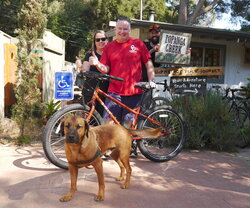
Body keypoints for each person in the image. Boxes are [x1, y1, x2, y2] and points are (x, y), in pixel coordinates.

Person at [89, 17, 156, 157]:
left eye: (125, 29)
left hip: (133, 91)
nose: (122, 31)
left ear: (130, 30)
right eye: (120, 29)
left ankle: (128, 148)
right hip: (114, 91)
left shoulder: (138, 44)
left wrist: (151, 80)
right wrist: (96, 63)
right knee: (109, 122)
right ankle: (111, 148)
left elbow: (148, 63)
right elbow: (106, 69)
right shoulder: (109, 47)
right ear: (115, 30)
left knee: (128, 124)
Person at [75, 30, 109, 116]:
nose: (100, 41)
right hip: (90, 87)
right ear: (94, 42)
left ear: (107, 40)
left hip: (105, 88)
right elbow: (85, 71)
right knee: (86, 113)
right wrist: (79, 66)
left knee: (101, 115)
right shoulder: (90, 54)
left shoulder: (110, 54)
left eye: (103, 39)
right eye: (97, 40)